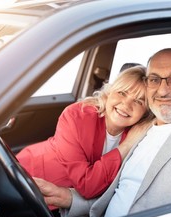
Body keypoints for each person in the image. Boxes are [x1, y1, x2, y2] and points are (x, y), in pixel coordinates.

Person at [35, 48, 171, 217]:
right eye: (154, 79)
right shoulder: (141, 127)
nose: (163, 90)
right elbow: (122, 193)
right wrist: (69, 198)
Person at [16, 65, 153, 201]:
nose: (126, 105)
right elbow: (88, 186)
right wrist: (126, 145)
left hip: (67, 203)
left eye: (138, 101)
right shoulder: (77, 116)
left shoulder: (143, 133)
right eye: (122, 93)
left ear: (146, 112)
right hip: (28, 180)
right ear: (110, 92)